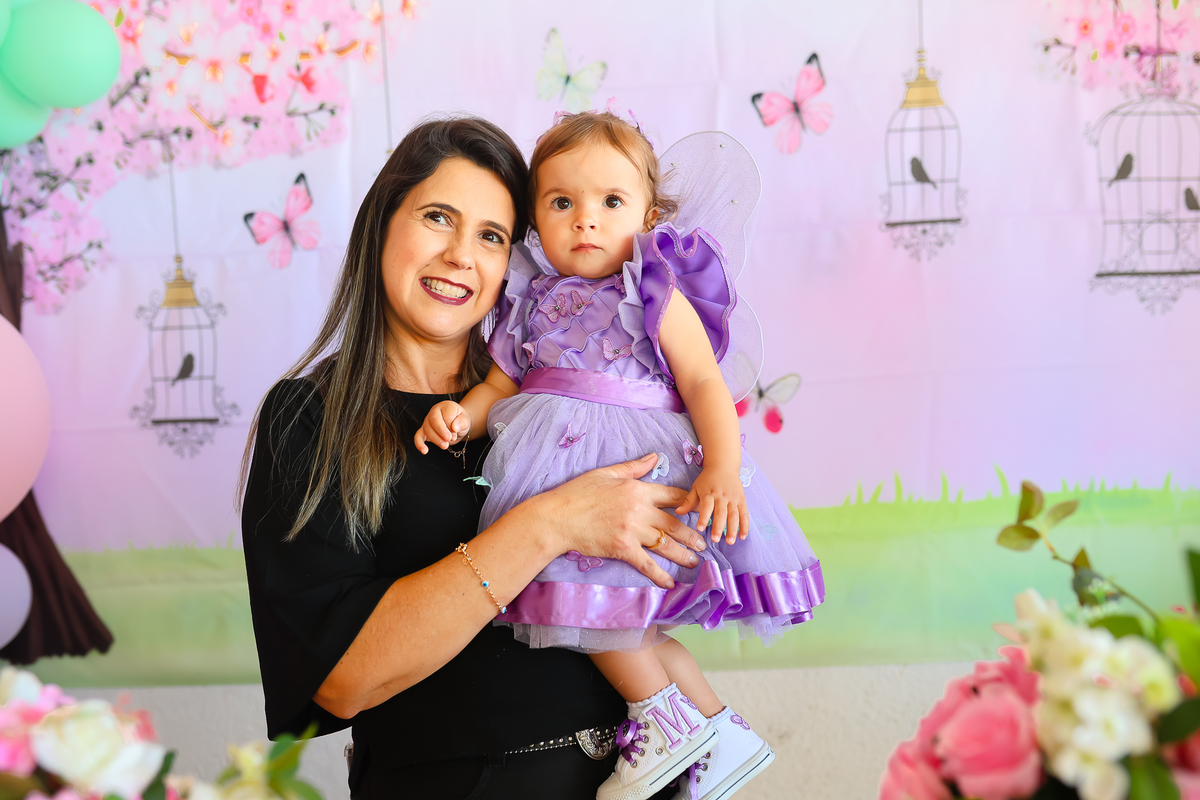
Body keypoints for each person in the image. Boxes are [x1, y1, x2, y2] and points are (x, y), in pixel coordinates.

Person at [239, 117, 712, 799]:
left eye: (491, 236)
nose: (462, 255)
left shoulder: (561, 407)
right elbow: (342, 680)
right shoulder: (311, 419)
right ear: (381, 225)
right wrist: (550, 524)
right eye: (438, 217)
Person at [414, 112, 825, 800]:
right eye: (562, 203)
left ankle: (662, 722)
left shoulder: (653, 288)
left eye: (610, 201)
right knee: (634, 624)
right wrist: (463, 414)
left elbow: (703, 382)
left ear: (648, 214)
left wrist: (722, 467)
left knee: (601, 612)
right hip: (557, 473)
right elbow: (501, 386)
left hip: (635, 468)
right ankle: (720, 732)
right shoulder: (527, 296)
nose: (586, 220)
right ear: (534, 219)